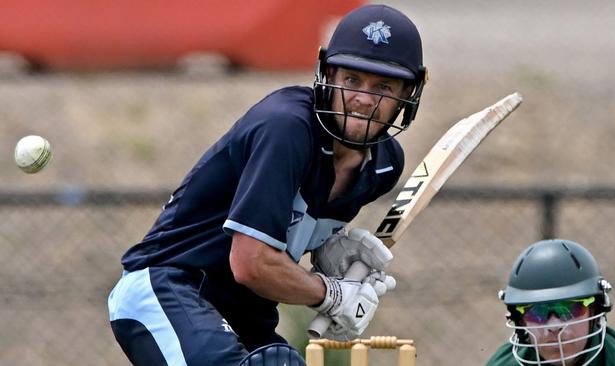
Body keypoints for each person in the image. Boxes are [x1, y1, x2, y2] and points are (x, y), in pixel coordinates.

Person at [107, 4, 427, 366]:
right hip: (169, 289)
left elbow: (287, 231)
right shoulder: (285, 128)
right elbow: (251, 263)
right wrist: (333, 294)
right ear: (329, 76)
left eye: (383, 86)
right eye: (352, 80)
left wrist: (327, 251)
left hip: (246, 315)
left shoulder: (384, 166)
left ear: (408, 93)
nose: (364, 99)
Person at [487, 239, 615, 366]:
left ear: (595, 310)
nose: (553, 326)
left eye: (569, 308)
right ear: (519, 319)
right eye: (537, 313)